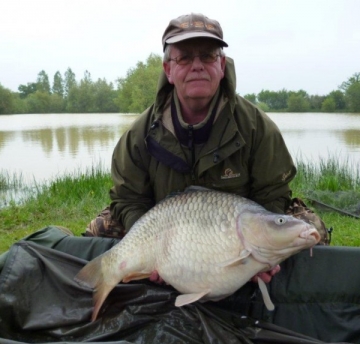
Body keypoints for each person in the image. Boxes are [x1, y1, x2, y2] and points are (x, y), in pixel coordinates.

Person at [85, 13, 297, 283]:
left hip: (233, 231)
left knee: (310, 230)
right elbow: (129, 200)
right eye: (184, 57)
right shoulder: (139, 135)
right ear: (168, 70)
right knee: (97, 230)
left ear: (221, 65)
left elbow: (272, 195)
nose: (197, 66)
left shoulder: (257, 128)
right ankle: (102, 279)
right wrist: (157, 252)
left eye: (207, 56)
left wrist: (260, 255)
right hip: (164, 226)